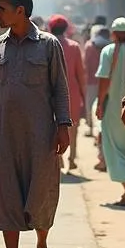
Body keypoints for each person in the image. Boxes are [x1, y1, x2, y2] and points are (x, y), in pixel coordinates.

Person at [0, 0, 71, 248]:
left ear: (20, 11)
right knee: (6, 195)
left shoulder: (49, 44)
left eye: (1, 8)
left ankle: (42, 245)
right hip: (5, 135)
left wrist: (63, 127)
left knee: (41, 192)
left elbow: (60, 89)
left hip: (41, 135)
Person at [96, 18, 125, 207]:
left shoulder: (108, 51)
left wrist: (100, 104)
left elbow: (104, 81)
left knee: (115, 149)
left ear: (113, 33)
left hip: (116, 111)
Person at [48, 15, 86, 171]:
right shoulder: (74, 46)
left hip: (51, 94)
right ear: (66, 28)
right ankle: (72, 158)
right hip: (72, 93)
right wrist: (84, 95)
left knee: (55, 127)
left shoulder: (47, 46)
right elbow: (80, 74)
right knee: (73, 128)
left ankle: (60, 157)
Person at [84, 24, 110, 142]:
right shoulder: (110, 46)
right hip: (107, 82)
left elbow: (86, 64)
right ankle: (102, 132)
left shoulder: (89, 46)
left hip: (91, 82)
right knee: (104, 107)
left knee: (91, 107)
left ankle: (93, 130)